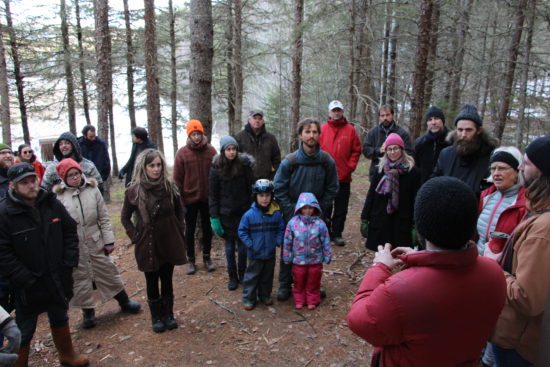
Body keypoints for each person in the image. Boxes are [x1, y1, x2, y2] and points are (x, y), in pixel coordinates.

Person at [347, 176, 506, 366]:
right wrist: (421, 258)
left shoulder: (401, 290)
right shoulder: (494, 273)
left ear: (421, 226)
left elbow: (359, 320)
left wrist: (379, 267)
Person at [0, 163, 89, 367]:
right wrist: (25, 278)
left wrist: (68, 263)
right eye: (25, 183)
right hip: (27, 284)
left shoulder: (50, 202)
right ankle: (18, 363)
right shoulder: (4, 213)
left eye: (33, 180)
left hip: (57, 276)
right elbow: (3, 254)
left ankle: (67, 355)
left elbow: (69, 231)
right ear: (13, 185)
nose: (32, 185)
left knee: (59, 315)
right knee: (25, 327)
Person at [53, 158, 141, 329]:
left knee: (107, 271)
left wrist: (108, 240)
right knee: (80, 278)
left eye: (77, 173)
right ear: (64, 178)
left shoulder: (92, 190)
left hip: (95, 240)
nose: (75, 178)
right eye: (71, 175)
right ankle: (88, 312)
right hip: (74, 245)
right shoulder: (58, 197)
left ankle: (124, 301)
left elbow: (104, 217)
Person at [490, 135, 550, 367]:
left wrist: (495, 267)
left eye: (526, 163)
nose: (521, 168)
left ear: (543, 171)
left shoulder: (542, 230)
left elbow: (528, 299)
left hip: (518, 344)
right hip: (512, 334)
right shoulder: (537, 211)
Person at [120, 149, 187, 333]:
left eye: (159, 165)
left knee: (167, 279)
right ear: (144, 167)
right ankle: (156, 317)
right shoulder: (133, 190)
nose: (156, 169)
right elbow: (125, 218)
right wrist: (135, 236)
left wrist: (179, 230)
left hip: (169, 240)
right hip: (147, 243)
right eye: (152, 165)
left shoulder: (169, 187)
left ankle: (168, 314)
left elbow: (179, 211)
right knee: (151, 280)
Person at [273, 118, 338, 301]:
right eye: (307, 132)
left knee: (314, 251)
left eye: (315, 132)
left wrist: (319, 209)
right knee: (290, 248)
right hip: (293, 215)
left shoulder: (326, 161)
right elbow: (279, 188)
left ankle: (312, 287)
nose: (311, 135)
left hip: (316, 216)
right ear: (300, 135)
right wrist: (291, 211)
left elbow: (333, 187)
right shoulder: (290, 161)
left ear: (319, 134)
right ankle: (285, 285)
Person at [360, 133, 420, 251]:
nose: (392, 152)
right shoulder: (380, 169)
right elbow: (371, 195)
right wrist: (364, 218)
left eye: (396, 148)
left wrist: (416, 224)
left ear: (402, 149)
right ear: (386, 151)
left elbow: (416, 198)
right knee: (382, 252)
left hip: (402, 219)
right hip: (381, 217)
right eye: (389, 149)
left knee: (401, 254)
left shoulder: (413, 171)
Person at [209, 136, 255, 291]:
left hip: (243, 212)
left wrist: (253, 208)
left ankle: (242, 274)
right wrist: (214, 217)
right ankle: (232, 276)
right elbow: (213, 195)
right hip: (226, 214)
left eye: (234, 149)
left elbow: (251, 188)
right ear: (223, 151)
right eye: (228, 149)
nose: (231, 152)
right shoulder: (216, 169)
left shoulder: (244, 166)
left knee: (242, 246)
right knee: (229, 247)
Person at [173, 120, 217, 274]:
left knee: (207, 228)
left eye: (198, 134)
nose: (196, 137)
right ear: (189, 135)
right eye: (193, 134)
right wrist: (179, 199)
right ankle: (190, 259)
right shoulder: (182, 153)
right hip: (189, 198)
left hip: (207, 197)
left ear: (202, 134)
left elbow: (217, 174)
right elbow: (177, 178)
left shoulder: (211, 151)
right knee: (190, 229)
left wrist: (215, 195)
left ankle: (207, 257)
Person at [319, 100, 361, 246]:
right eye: (334, 110)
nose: (336, 113)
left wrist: (350, 166)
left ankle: (337, 233)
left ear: (342, 112)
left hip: (344, 177)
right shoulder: (322, 129)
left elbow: (356, 150)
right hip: (325, 178)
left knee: (341, 208)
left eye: (338, 110)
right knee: (325, 207)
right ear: (329, 112)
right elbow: (316, 150)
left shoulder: (350, 130)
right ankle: (325, 233)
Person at [432, 104, 498, 198]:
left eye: (468, 130)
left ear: (479, 131)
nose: (463, 134)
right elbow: (434, 183)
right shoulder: (446, 154)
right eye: (460, 130)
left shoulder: (491, 157)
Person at [238, 179, 285, 310]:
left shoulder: (276, 214)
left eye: (267, 196)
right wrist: (250, 244)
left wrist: (278, 240)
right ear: (256, 196)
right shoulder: (249, 215)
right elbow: (242, 231)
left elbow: (281, 228)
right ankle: (249, 298)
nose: (264, 199)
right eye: (261, 196)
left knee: (267, 276)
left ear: (271, 196)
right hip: (254, 253)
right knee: (252, 276)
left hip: (270, 253)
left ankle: (265, 295)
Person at [282, 192, 331, 310]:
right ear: (300, 208)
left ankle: (312, 300)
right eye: (305, 208)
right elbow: (287, 241)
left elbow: (325, 240)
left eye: (310, 208)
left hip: (316, 260)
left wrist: (327, 254)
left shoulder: (320, 224)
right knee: (298, 280)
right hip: (299, 260)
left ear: (314, 208)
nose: (308, 211)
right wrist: (287, 256)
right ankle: (299, 299)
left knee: (313, 281)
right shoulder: (293, 223)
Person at [477, 147, 527, 257]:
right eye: (493, 168)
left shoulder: (526, 203)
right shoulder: (485, 196)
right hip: (477, 261)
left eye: (502, 168)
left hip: (503, 268)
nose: (496, 173)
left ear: (517, 171)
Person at [363, 104, 413, 181]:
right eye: (382, 116)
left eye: (387, 115)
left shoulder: (402, 133)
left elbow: (409, 153)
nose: (385, 118)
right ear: (379, 117)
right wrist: (379, 150)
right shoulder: (373, 133)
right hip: (377, 174)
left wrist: (396, 152)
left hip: (398, 175)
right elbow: (366, 150)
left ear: (392, 115)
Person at [235, 110, 281, 180]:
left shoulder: (271, 138)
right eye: (255, 118)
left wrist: (273, 176)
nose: (257, 121)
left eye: (260, 118)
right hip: (245, 180)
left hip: (266, 180)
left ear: (263, 121)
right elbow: (235, 158)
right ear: (249, 120)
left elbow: (276, 159)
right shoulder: (239, 137)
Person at [413, 106, 450, 184]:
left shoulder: (451, 142)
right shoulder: (420, 143)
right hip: (423, 188)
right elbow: (415, 168)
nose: (433, 122)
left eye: (436, 118)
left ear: (442, 121)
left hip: (446, 187)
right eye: (430, 119)